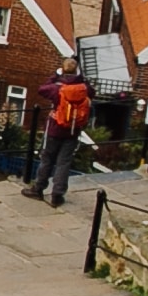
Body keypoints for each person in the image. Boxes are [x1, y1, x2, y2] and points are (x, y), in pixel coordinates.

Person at [36, 66, 93, 207]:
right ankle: (57, 195)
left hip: (55, 129)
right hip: (73, 130)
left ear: (63, 71)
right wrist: (81, 77)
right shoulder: (84, 88)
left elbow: (42, 89)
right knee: (64, 163)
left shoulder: (57, 89)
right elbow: (92, 92)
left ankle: (38, 188)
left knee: (47, 159)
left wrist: (55, 75)